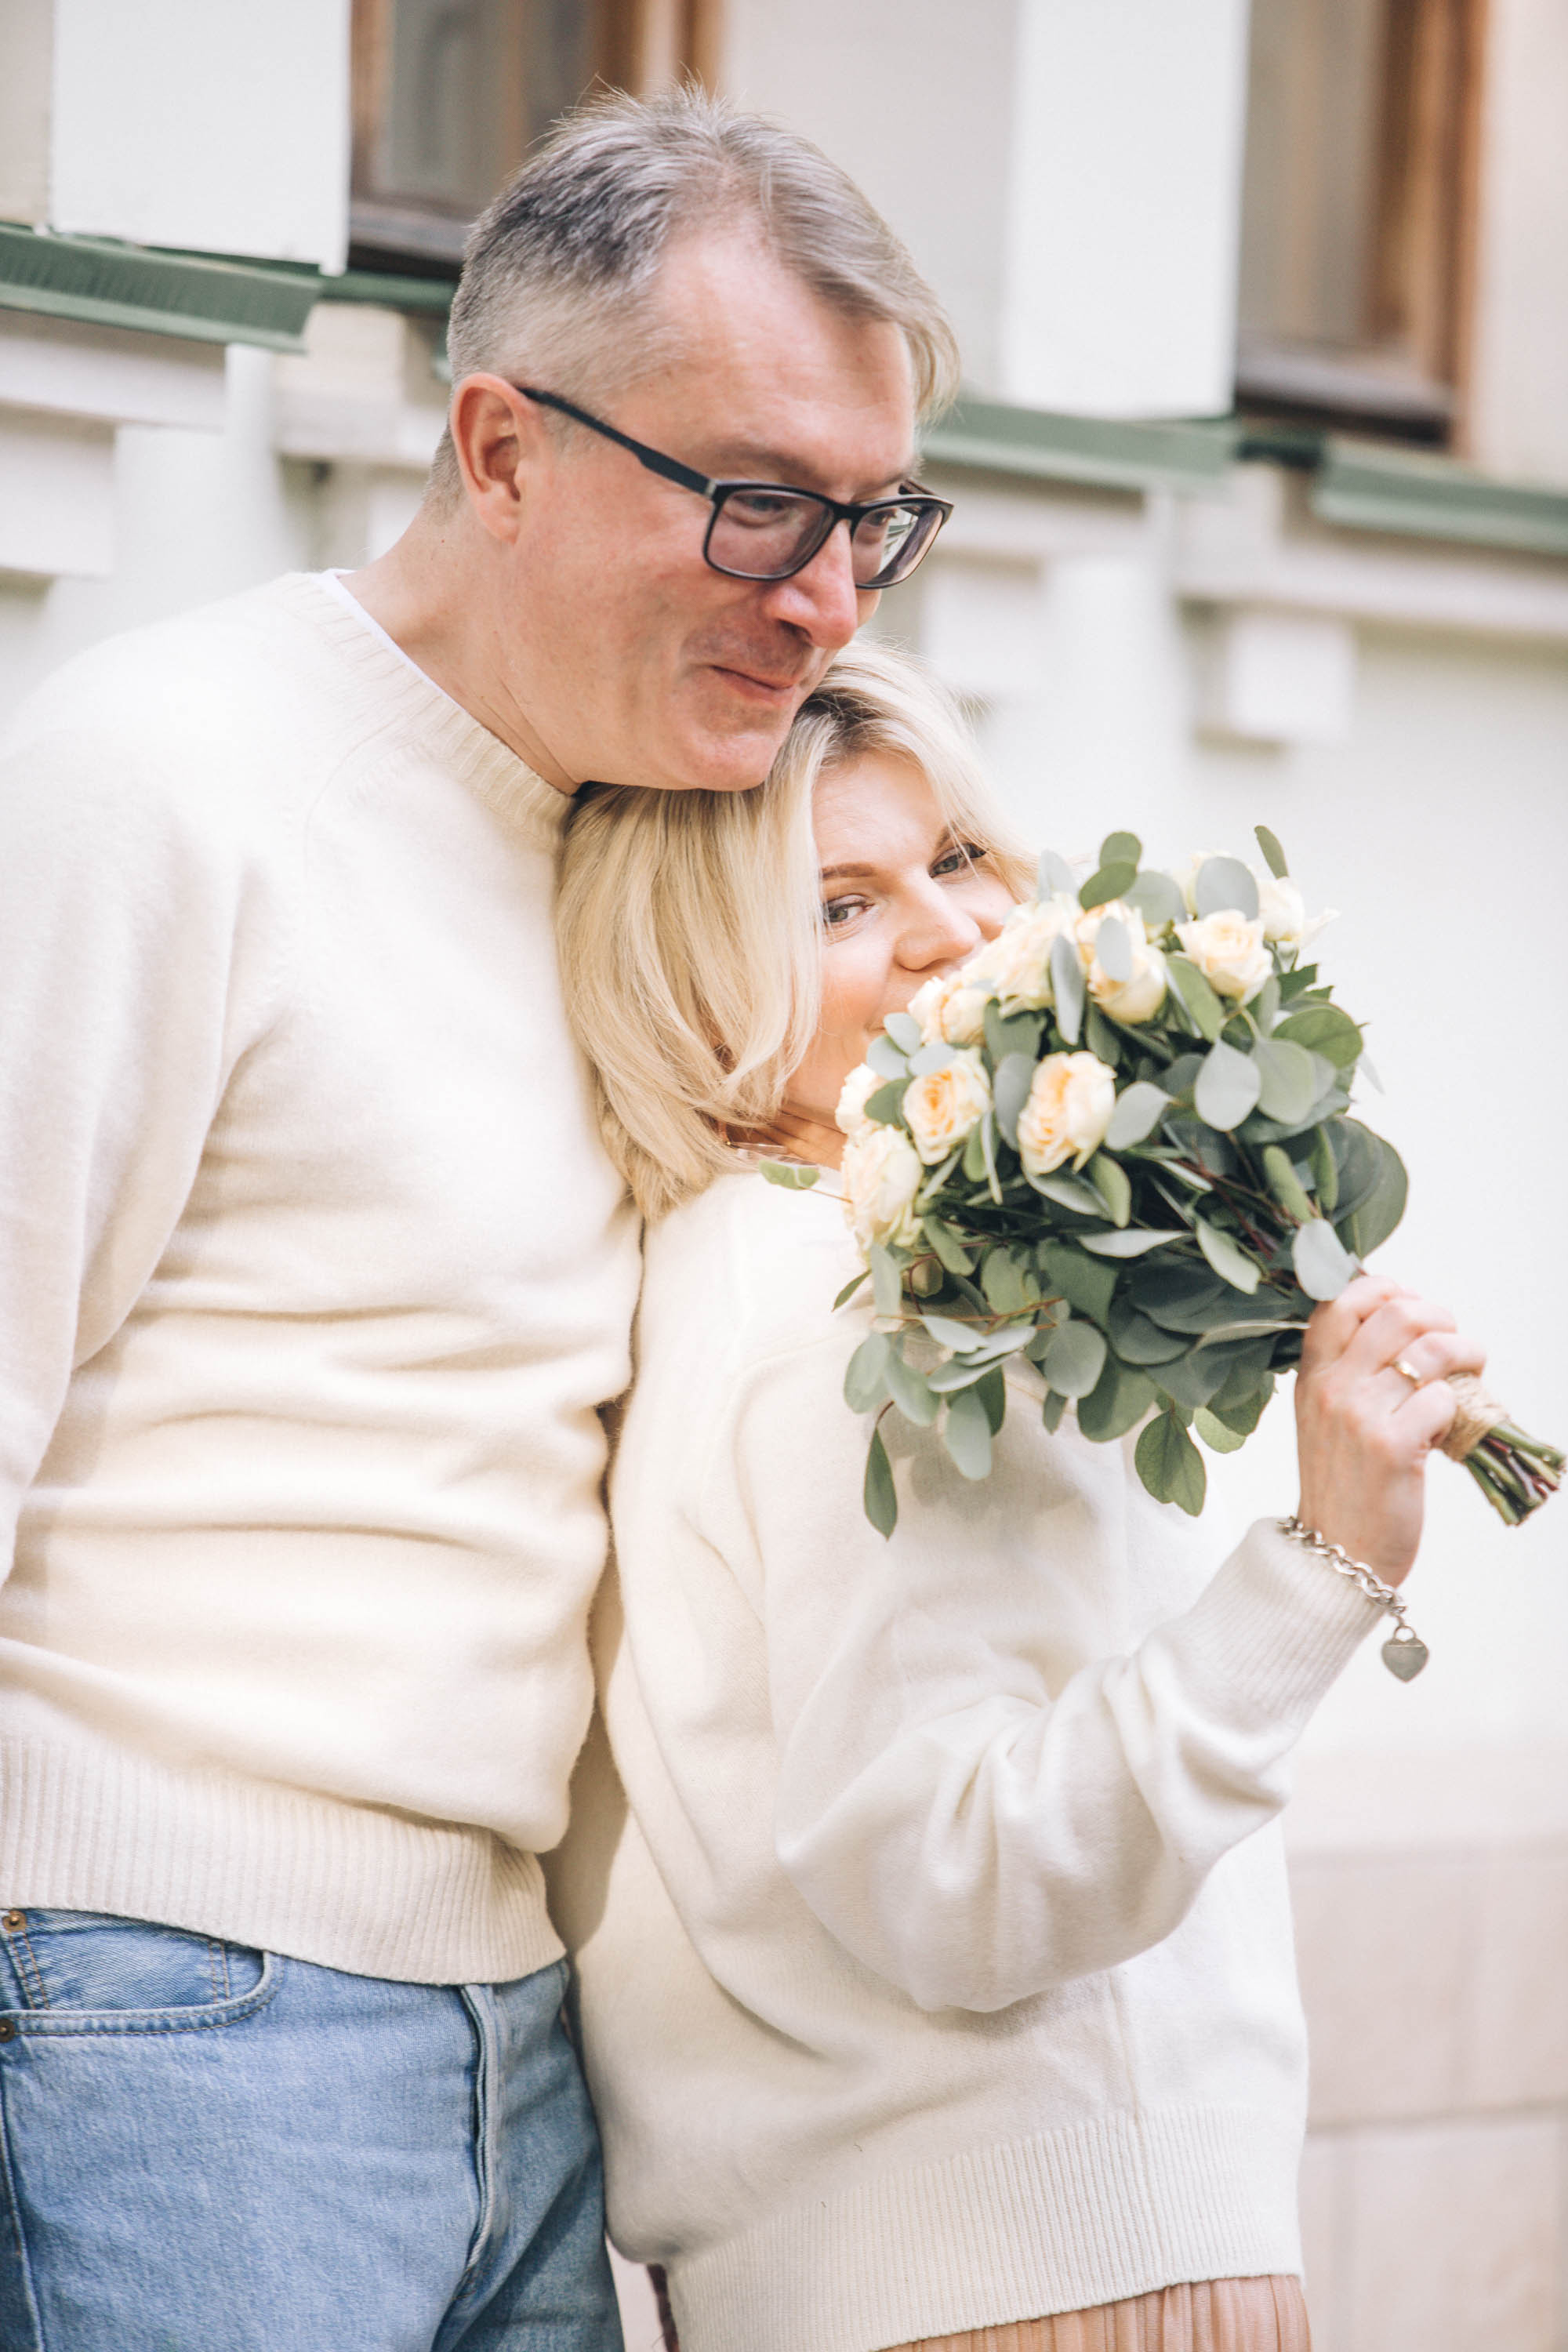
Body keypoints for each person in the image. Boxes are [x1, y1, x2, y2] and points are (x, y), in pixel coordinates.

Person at [0, 93, 956, 2352]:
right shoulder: (159, 781)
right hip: (168, 2012)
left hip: (531, 2051)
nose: (823, 598)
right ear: (503, 451)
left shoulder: (675, 857)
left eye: (871, 521)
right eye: (755, 503)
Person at [548, 639, 1485, 2352]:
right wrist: (1327, 1560)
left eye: (958, 857)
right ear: (691, 980)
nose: (946, 933)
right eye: (838, 905)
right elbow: (964, 1870)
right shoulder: (849, 1309)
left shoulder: (795, 1272)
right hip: (1044, 2273)